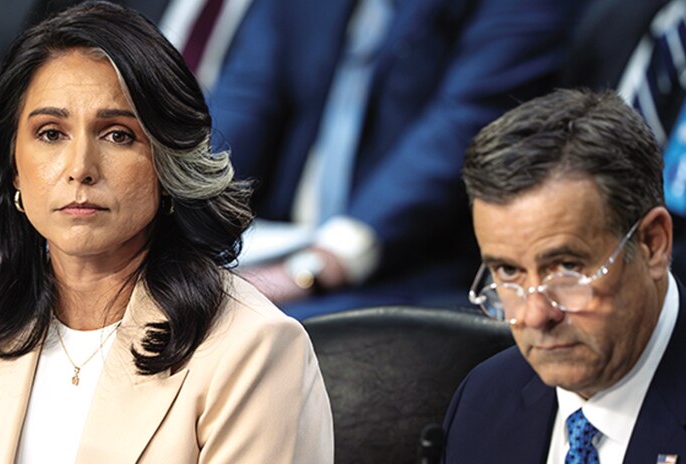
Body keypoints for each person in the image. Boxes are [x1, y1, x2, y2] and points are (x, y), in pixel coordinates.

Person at [0, 2, 333, 464]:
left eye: (118, 135)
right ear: (14, 164)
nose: (80, 166)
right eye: (51, 133)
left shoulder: (254, 352)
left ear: (168, 161)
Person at [208, 0, 583, 318]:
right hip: (272, 246)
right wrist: (185, 222)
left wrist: (317, 266)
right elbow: (244, 100)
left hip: (413, 272)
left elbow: (459, 131)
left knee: (245, 329)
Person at [434, 89, 686, 464]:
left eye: (568, 269)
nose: (535, 314)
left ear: (652, 244)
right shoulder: (484, 402)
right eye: (508, 272)